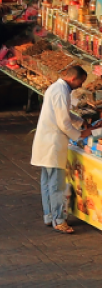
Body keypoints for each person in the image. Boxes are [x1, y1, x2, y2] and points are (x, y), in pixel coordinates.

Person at [36, 63, 88, 232]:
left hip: (47, 142)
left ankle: (49, 216)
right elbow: (64, 123)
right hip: (53, 143)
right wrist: (80, 135)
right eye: (80, 82)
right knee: (56, 184)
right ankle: (59, 220)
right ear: (73, 78)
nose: (80, 86)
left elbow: (64, 114)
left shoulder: (56, 88)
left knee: (47, 181)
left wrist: (80, 121)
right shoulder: (60, 91)